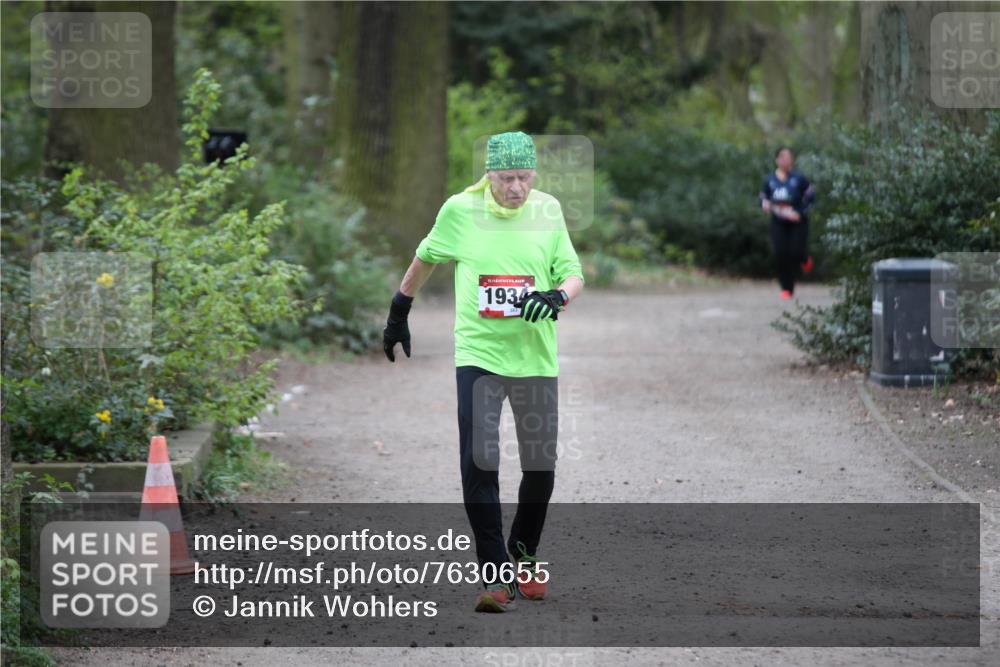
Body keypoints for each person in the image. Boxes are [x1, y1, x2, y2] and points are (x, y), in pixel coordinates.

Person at [381, 131, 585, 613]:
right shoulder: (460, 211)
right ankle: (494, 576)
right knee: (479, 460)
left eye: (525, 177)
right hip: (478, 355)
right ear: (489, 175)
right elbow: (425, 257)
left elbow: (572, 271)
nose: (517, 187)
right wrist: (398, 312)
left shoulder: (547, 209)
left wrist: (559, 296)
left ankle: (524, 554)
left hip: (534, 357)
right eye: (507, 177)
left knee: (541, 467)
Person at [759, 146, 815, 299]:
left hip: (798, 221)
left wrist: (800, 212)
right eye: (782, 157)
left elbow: (811, 197)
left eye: (788, 157)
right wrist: (765, 204)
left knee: (796, 251)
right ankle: (787, 288)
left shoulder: (799, 178)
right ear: (777, 160)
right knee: (780, 254)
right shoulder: (770, 180)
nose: (786, 160)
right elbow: (763, 198)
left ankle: (804, 259)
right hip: (778, 222)